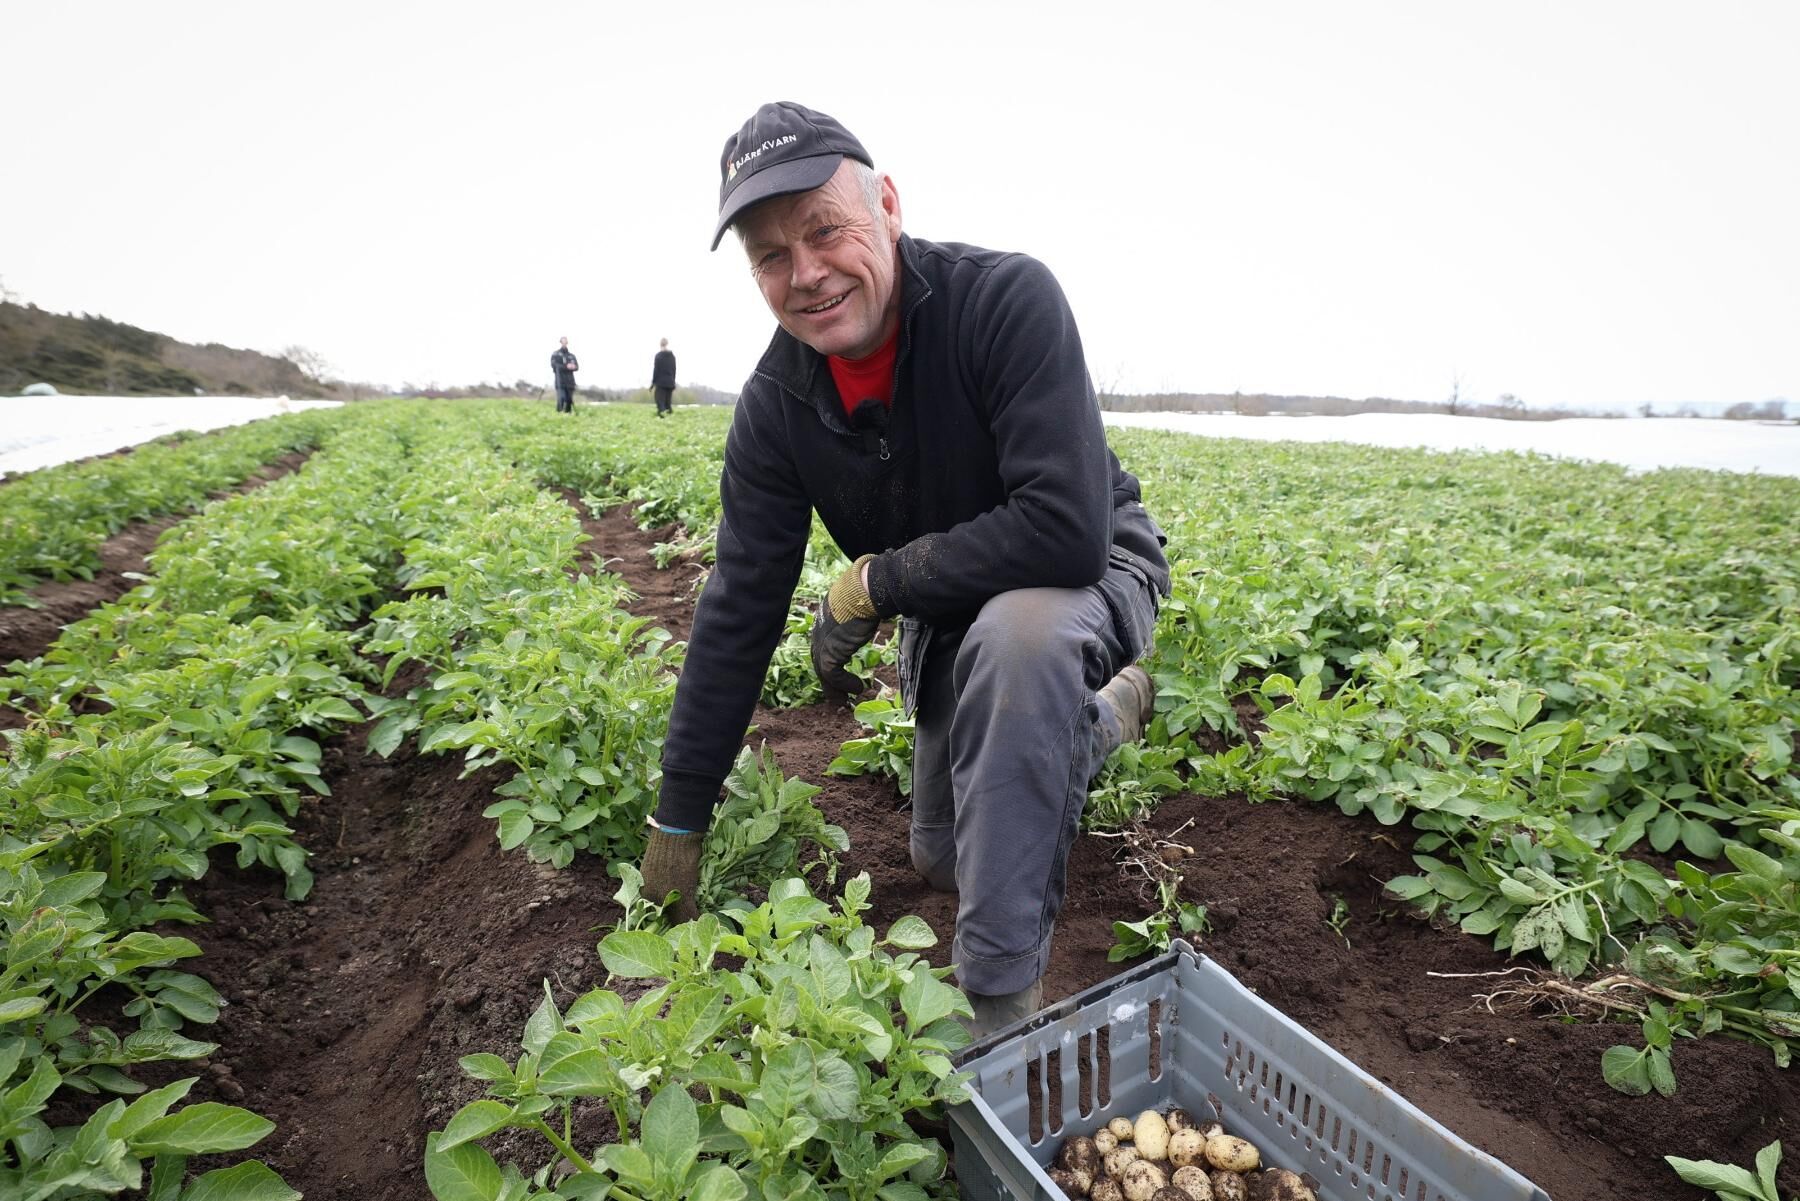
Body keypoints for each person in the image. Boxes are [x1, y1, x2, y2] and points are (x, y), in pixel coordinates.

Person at [637, 102, 1169, 1037]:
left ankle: (999, 1010)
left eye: (824, 230)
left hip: (1081, 568)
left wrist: (874, 583)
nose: (805, 274)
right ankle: (1097, 722)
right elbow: (738, 609)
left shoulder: (1004, 300)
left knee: (1023, 639)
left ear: (885, 202)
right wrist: (678, 819)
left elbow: (1061, 532)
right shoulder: (775, 407)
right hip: (952, 605)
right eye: (769, 255)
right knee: (941, 858)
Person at [550, 337, 579, 413]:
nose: (564, 343)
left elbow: (576, 367)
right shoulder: (555, 354)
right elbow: (554, 365)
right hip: (560, 381)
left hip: (570, 381)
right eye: (563, 341)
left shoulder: (572, 356)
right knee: (561, 398)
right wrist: (567, 366)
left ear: (567, 343)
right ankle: (559, 414)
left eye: (566, 342)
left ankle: (567, 415)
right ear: (560, 342)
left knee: (569, 400)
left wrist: (573, 367)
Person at [651, 338, 677, 417]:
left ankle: (662, 418)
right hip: (670, 382)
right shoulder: (672, 356)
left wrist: (653, 383)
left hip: (661, 383)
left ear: (660, 344)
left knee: (660, 402)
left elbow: (656, 370)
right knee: (668, 403)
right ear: (667, 344)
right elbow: (674, 370)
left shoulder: (658, 356)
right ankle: (670, 419)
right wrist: (673, 381)